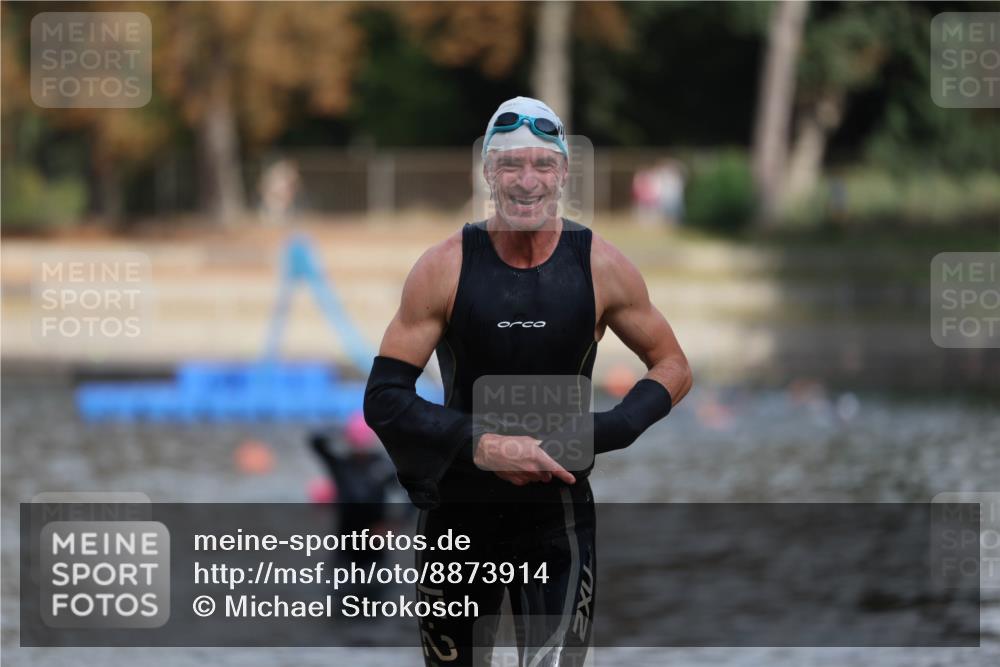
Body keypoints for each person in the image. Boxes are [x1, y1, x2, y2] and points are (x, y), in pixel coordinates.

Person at [364, 97, 692, 666]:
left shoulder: (601, 266)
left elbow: (673, 366)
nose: (526, 182)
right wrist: (486, 445)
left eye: (542, 165)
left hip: (557, 523)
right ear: (488, 173)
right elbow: (385, 400)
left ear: (564, 173)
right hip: (457, 521)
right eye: (510, 165)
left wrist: (601, 431)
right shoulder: (444, 267)